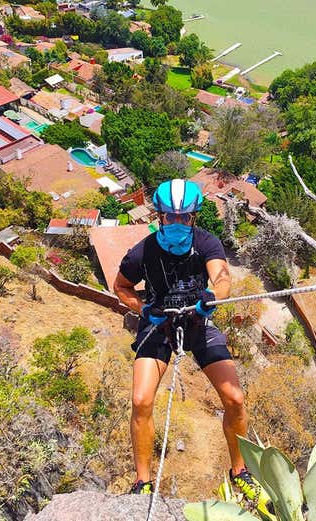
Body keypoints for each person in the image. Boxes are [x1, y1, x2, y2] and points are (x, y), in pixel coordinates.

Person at [114, 179, 271, 510]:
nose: (177, 222)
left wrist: (211, 297)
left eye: (184, 217)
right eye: (170, 216)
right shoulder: (142, 252)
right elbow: (121, 287)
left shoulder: (205, 242)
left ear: (193, 217)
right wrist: (144, 310)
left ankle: (240, 471)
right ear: (159, 216)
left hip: (198, 321)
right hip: (159, 324)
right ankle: (142, 482)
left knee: (235, 398)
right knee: (141, 400)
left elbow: (222, 278)